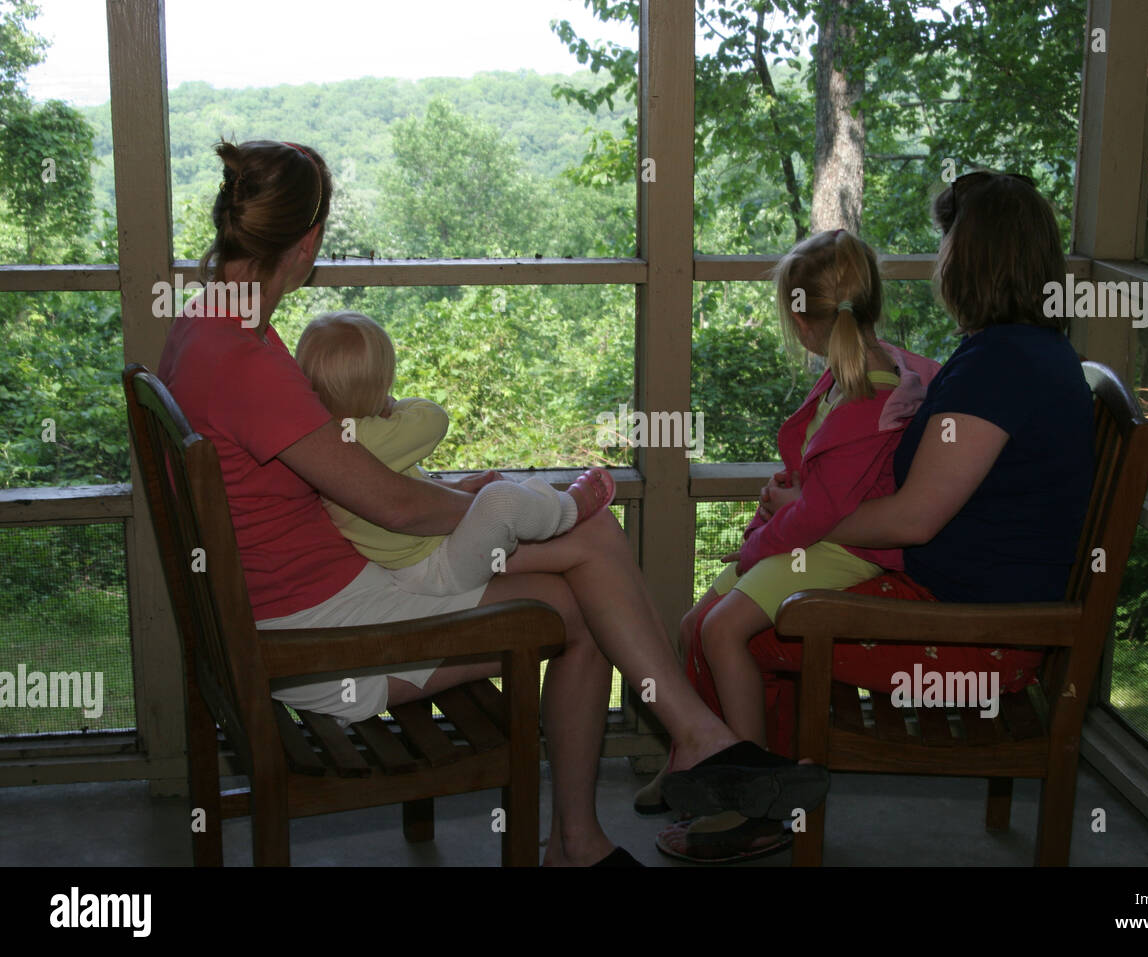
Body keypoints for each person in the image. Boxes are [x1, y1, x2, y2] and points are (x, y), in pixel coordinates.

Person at [156, 139, 828, 867]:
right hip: (322, 639)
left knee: (582, 568)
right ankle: (639, 787)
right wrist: (494, 505)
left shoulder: (205, 326)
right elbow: (395, 507)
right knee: (584, 569)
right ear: (309, 239)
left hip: (301, 603)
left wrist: (485, 499)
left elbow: (352, 483)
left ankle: (655, 775)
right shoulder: (247, 359)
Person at [657, 172, 1094, 862]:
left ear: (972, 257)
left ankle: (759, 805)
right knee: (717, 616)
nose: (941, 256)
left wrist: (806, 514)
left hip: (973, 633)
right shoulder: (1018, 354)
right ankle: (733, 773)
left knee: (729, 633)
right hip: (967, 600)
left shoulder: (1000, 370)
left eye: (949, 240)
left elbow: (913, 520)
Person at [681, 231, 939, 749]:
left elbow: (822, 514)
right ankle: (695, 752)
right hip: (816, 538)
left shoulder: (867, 402)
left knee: (721, 631)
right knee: (692, 625)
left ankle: (748, 779)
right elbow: (823, 485)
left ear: (800, 324)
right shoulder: (853, 374)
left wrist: (758, 545)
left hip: (844, 549)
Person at [294, 310, 615, 597]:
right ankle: (568, 509)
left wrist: (457, 489)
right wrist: (394, 405)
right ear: (380, 386)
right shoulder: (364, 436)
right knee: (500, 500)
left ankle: (538, 507)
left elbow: (399, 485)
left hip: (421, 560)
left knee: (497, 495)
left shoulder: (326, 440)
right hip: (437, 569)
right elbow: (434, 417)